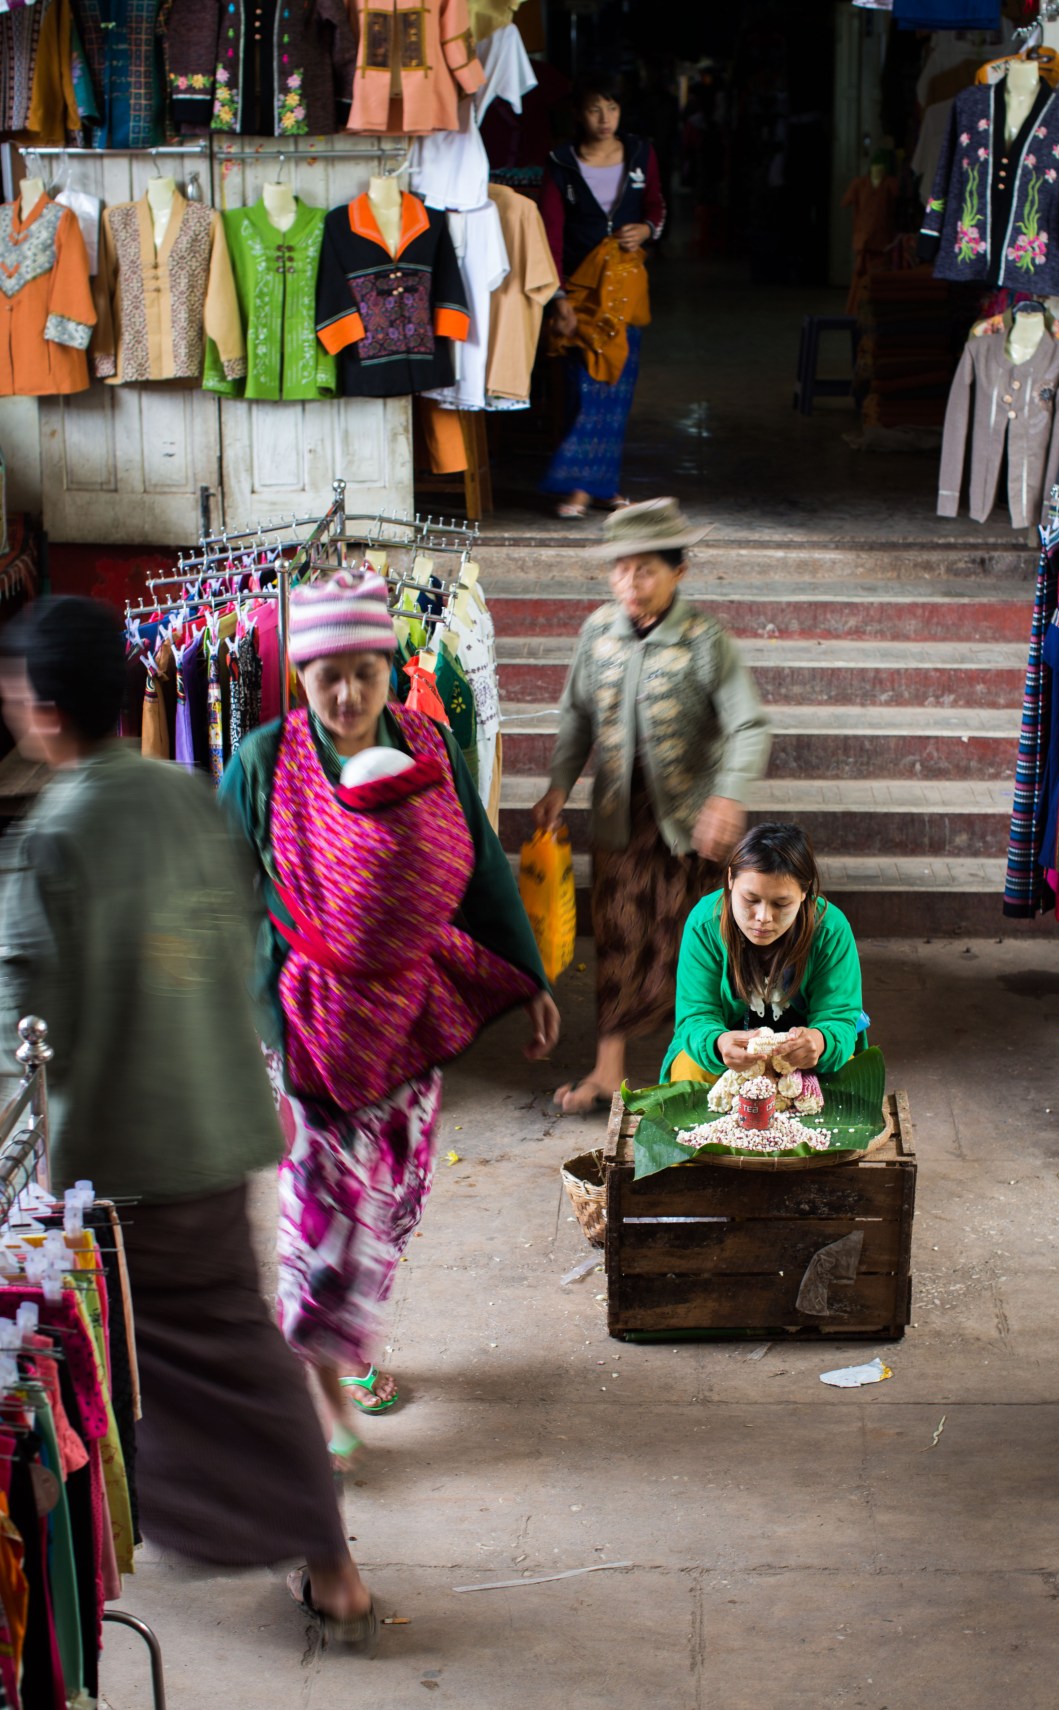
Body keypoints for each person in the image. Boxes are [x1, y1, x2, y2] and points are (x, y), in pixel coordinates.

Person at [0, 597, 375, 1642]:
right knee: (231, 1349)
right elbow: (242, 938)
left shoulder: (54, 834)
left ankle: (323, 1558)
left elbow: (32, 1026)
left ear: (41, 708)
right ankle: (319, 1557)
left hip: (125, 1159)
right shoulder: (188, 794)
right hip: (219, 1124)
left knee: (176, 1360)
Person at [219, 570, 558, 1454]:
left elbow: (478, 863)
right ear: (299, 673)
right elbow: (216, 902)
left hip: (409, 1019)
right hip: (306, 1028)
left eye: (363, 671)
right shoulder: (264, 763)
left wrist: (529, 977)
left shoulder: (423, 747)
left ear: (389, 664)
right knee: (326, 1204)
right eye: (324, 673)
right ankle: (325, 1388)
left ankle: (345, 1324)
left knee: (394, 1199)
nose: (345, 693)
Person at [533, 497, 770, 1113]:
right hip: (617, 816)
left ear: (678, 572)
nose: (628, 584)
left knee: (687, 943)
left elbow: (749, 725)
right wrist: (560, 784)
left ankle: (695, 1070)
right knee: (616, 936)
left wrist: (727, 797)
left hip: (689, 825)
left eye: (644, 570)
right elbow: (576, 717)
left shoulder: (703, 640)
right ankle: (608, 1071)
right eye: (619, 569)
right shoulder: (596, 633)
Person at [538, 67, 666, 519]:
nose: (605, 117)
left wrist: (648, 228)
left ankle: (601, 485)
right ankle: (581, 488)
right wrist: (558, 299)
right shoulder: (561, 164)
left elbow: (657, 205)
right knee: (583, 391)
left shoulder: (640, 153)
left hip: (626, 292)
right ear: (579, 113)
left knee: (616, 390)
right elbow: (550, 235)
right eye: (595, 108)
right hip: (579, 292)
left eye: (612, 107)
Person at [662, 822, 866, 1084]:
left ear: (805, 892)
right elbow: (696, 1015)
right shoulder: (705, 924)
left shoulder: (830, 929)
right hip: (728, 1056)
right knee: (689, 1073)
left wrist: (821, 1041)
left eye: (781, 903)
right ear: (730, 880)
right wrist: (719, 1042)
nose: (763, 918)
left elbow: (838, 1016)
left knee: (848, 1081)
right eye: (750, 900)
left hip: (804, 1058)